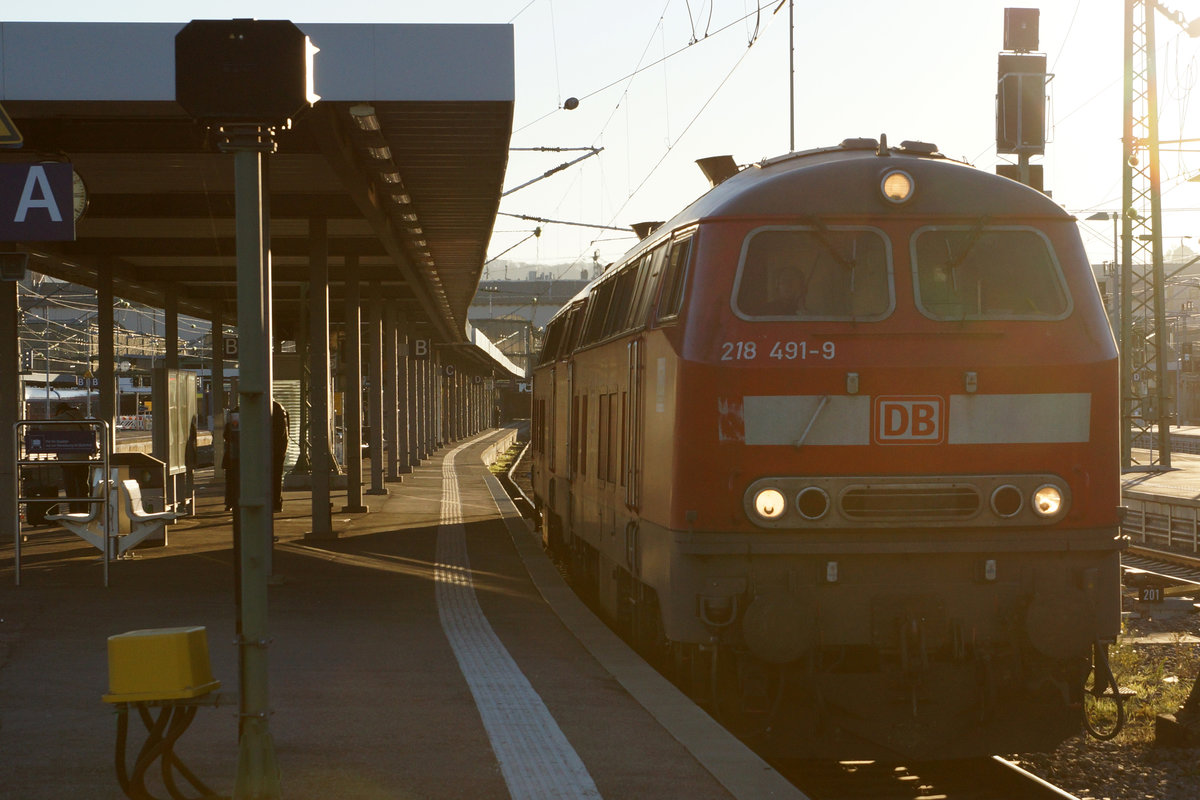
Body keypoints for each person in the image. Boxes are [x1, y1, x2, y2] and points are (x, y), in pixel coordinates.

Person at [52, 402, 89, 512]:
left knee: (70, 486)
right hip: (83, 458)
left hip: (69, 458)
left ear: (60, 410)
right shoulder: (80, 416)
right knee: (82, 485)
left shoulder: (64, 416)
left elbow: (43, 426)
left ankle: (73, 511)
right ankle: (84, 510)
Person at [271, 400, 289, 513]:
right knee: (276, 477)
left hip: (274, 450)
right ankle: (276, 501)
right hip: (280, 450)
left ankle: (275, 501)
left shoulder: (272, 408)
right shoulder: (280, 408)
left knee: (273, 477)